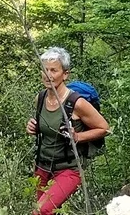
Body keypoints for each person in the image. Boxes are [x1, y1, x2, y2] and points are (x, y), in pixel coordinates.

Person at [26, 47, 110, 215]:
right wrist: (32, 127)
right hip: (42, 167)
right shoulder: (40, 98)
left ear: (65, 74)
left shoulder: (76, 103)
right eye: (45, 70)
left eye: (54, 70)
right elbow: (44, 126)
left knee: (40, 211)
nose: (48, 75)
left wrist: (77, 136)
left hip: (68, 169)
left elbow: (104, 128)